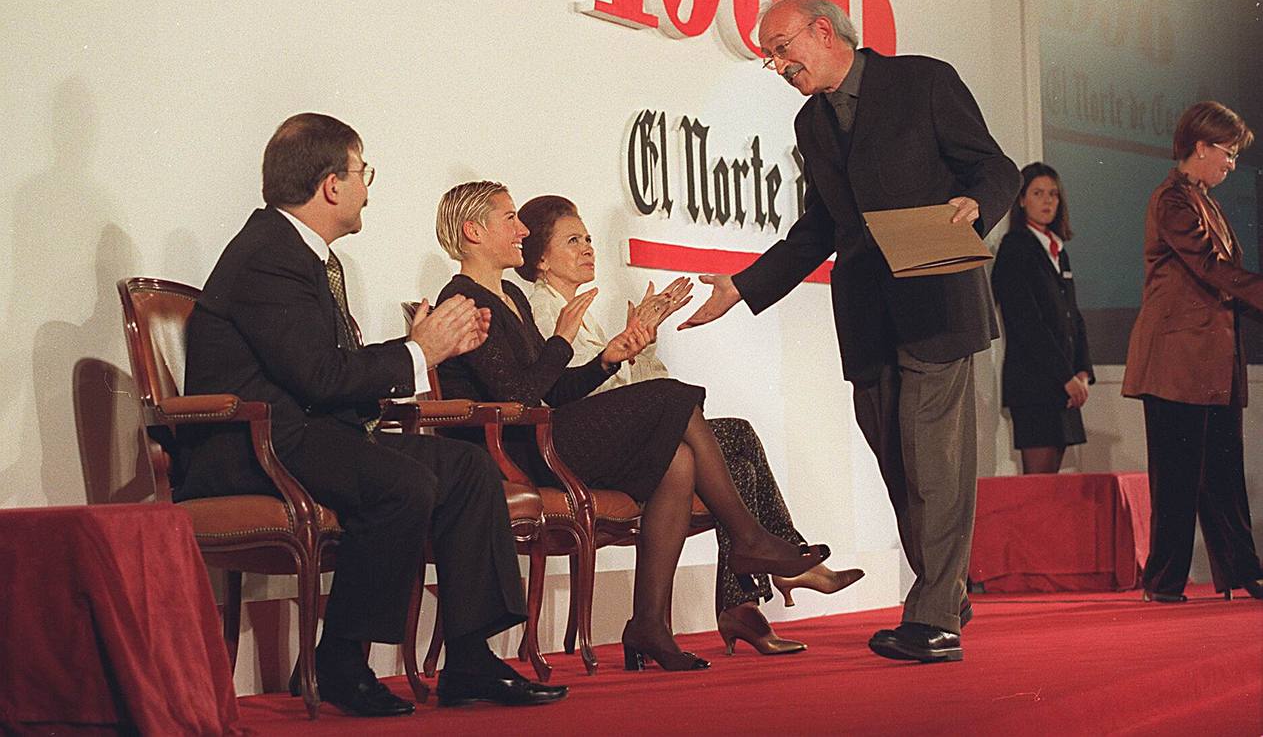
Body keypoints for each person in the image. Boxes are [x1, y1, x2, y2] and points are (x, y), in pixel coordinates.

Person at [180, 113, 567, 716]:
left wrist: (416, 354)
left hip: (307, 433)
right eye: (364, 172)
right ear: (332, 184)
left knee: (466, 468)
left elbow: (323, 373)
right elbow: (317, 377)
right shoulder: (268, 255)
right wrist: (419, 352)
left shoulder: (303, 255)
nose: (368, 187)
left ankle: (469, 658)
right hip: (256, 445)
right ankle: (340, 659)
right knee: (402, 482)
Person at [680, 0, 1019, 663]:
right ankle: (945, 592)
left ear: (822, 31)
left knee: (935, 463)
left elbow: (993, 167)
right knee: (898, 463)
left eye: (781, 48)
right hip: (867, 316)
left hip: (936, 299)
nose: (776, 65)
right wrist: (743, 287)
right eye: (769, 56)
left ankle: (932, 619)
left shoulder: (921, 81)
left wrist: (976, 204)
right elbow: (819, 228)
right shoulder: (812, 122)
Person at [432, 181, 830, 673]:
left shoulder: (509, 293)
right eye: (510, 219)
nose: (521, 230)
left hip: (542, 432)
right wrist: (561, 339)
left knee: (677, 460)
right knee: (672, 398)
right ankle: (749, 538)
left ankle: (650, 624)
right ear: (474, 231)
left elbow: (551, 391)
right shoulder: (464, 298)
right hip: (517, 453)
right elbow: (518, 397)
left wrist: (606, 359)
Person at [516, 194, 865, 656]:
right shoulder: (545, 313)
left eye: (589, 238)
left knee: (730, 447)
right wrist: (626, 350)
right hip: (585, 450)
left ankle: (744, 593)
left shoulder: (583, 311)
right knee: (729, 436)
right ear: (540, 259)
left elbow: (637, 393)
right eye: (573, 240)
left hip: (618, 436)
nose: (588, 249)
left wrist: (640, 343)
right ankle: (762, 573)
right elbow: (589, 400)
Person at [1122, 100, 1263, 603]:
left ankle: (1245, 572)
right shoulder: (1173, 200)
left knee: (1223, 474)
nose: (1232, 163)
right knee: (1178, 480)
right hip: (1176, 363)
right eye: (1227, 152)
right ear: (1200, 146)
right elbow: (1208, 266)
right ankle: (1164, 584)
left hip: (1211, 364)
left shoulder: (1202, 198)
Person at [990, 162, 1094, 474]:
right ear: (1021, 200)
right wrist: (1066, 376)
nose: (1047, 201)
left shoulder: (1058, 250)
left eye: (1053, 194)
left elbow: (1073, 317)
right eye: (1038, 193)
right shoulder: (1015, 248)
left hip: (1064, 384)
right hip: (1035, 384)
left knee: (1054, 490)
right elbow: (1025, 322)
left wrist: (1082, 371)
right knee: (1039, 488)